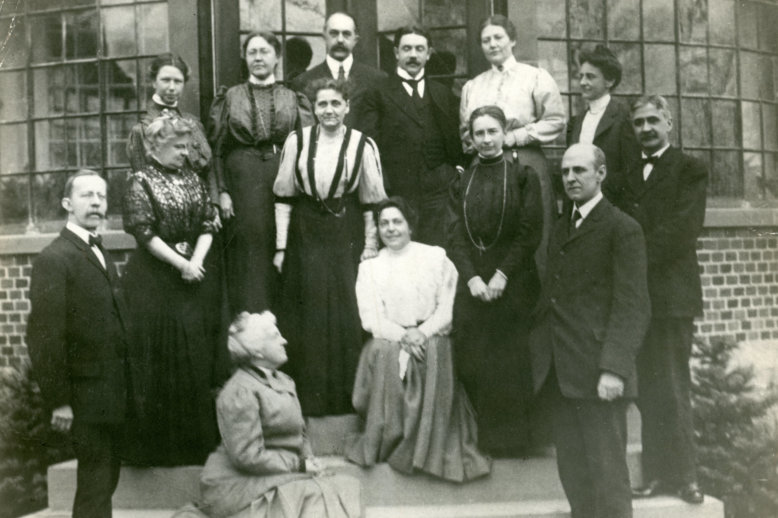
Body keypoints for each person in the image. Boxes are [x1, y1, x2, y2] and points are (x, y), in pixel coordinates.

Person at [530, 143, 650, 518]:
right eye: (565, 172)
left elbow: (633, 305)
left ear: (600, 174)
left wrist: (614, 368)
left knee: (608, 476)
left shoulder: (622, 228)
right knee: (574, 474)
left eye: (579, 171)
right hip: (562, 372)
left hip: (599, 373)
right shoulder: (563, 227)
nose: (570, 178)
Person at [345, 197, 491, 482]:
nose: (391, 229)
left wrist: (422, 333)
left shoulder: (435, 257)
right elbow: (371, 318)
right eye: (384, 223)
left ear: (410, 225)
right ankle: (392, 438)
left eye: (397, 221)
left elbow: (448, 307)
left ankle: (428, 446)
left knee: (437, 353)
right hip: (391, 337)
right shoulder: (370, 268)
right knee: (383, 354)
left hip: (432, 333)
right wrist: (404, 336)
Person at [608, 95, 708, 504]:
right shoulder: (626, 174)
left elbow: (683, 228)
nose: (646, 129)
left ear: (669, 123)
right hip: (637, 298)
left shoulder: (689, 169)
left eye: (653, 121)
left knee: (672, 384)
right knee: (648, 389)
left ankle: (685, 477)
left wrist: (635, 258)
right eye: (639, 123)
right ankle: (656, 476)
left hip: (671, 295)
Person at [273, 78, 387, 416]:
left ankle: (345, 400)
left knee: (345, 308)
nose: (329, 111)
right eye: (322, 104)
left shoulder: (362, 144)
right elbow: (284, 196)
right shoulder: (297, 141)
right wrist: (281, 248)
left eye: (336, 104)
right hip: (305, 230)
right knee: (307, 308)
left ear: (347, 107)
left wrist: (369, 246)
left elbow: (371, 201)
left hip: (344, 227)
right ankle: (311, 400)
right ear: (313, 108)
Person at [122, 115, 230, 466]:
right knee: (161, 354)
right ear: (155, 146)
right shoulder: (140, 181)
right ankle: (161, 450)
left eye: (187, 146)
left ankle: (194, 445)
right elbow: (144, 232)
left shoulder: (194, 180)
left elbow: (206, 223)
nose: (185, 153)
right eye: (178, 147)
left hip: (192, 276)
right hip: (154, 278)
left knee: (193, 353)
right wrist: (180, 264)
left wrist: (196, 262)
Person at [27, 170, 128, 518]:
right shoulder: (54, 259)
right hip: (84, 398)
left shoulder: (99, 251)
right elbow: (44, 338)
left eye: (101, 195)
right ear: (67, 204)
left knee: (103, 482)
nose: (97, 202)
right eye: (87, 195)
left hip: (110, 393)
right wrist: (59, 401)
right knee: (96, 486)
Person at [195, 312, 361, 518]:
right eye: (275, 336)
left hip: (280, 471)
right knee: (317, 497)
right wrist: (298, 465)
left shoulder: (284, 380)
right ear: (257, 351)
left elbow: (300, 433)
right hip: (241, 480)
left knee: (345, 487)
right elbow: (247, 456)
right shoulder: (240, 391)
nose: (284, 340)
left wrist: (309, 459)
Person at [447, 105, 543, 457]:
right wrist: (471, 278)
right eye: (479, 134)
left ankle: (514, 442)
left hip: (513, 280)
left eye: (492, 132)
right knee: (474, 358)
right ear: (470, 140)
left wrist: (502, 275)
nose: (486, 140)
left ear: (504, 133)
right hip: (472, 281)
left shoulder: (523, 177)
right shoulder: (462, 181)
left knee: (509, 359)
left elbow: (530, 231)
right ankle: (480, 441)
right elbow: (454, 234)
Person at [208, 32, 313, 314]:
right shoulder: (230, 97)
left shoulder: (293, 98)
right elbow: (216, 150)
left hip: (282, 178)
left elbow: (306, 148)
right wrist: (222, 193)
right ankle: (251, 333)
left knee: (283, 248)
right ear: (245, 57)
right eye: (252, 52)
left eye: (264, 52)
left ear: (277, 57)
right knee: (249, 256)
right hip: (242, 183)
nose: (258, 58)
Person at [459, 14, 565, 277]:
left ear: (512, 40)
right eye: (486, 40)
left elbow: (555, 120)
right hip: (484, 166)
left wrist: (515, 137)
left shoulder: (535, 77)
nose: (492, 44)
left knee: (532, 230)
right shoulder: (473, 86)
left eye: (498, 37)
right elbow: (464, 130)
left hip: (525, 160)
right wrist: (477, 142)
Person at [364, 26, 464, 247]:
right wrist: (386, 189)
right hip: (397, 192)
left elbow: (456, 139)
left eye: (420, 49)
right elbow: (370, 145)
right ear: (396, 53)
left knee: (437, 254)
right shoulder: (377, 92)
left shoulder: (442, 92)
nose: (413, 55)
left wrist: (454, 172)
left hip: (439, 193)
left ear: (428, 54)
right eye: (407, 48)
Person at [127, 53, 220, 209]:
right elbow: (145, 184)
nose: (172, 87)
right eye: (165, 80)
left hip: (205, 212)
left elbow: (209, 170)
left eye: (178, 81)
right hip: (168, 214)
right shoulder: (142, 130)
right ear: (153, 82)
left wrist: (214, 206)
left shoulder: (194, 124)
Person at [291, 12, 386, 136]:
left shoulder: (377, 80)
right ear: (324, 37)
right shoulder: (303, 82)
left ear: (355, 39)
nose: (340, 40)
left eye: (346, 34)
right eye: (334, 33)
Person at [566, 45, 638, 201]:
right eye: (581, 76)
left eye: (590, 77)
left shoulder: (623, 118)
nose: (583, 82)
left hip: (612, 208)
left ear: (609, 81)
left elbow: (631, 173)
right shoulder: (576, 122)